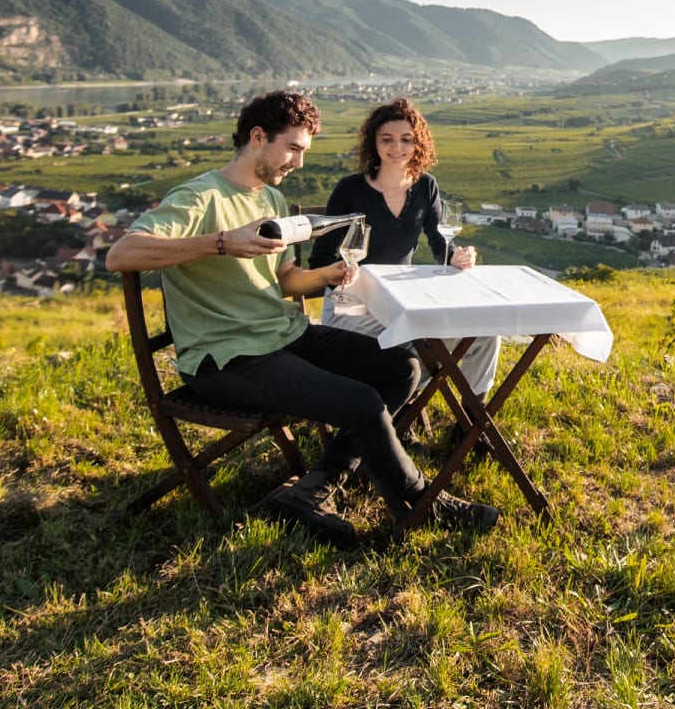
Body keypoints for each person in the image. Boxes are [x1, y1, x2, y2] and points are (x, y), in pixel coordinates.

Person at [104, 89, 498, 544]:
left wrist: (329, 275)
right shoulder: (200, 197)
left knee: (403, 367)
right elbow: (121, 254)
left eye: (304, 151)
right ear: (258, 137)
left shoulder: (270, 199)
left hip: (284, 336)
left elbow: (286, 280)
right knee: (362, 404)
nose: (299, 162)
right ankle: (419, 501)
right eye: (293, 148)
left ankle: (312, 489)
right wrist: (221, 242)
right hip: (227, 357)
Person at [308, 97, 501, 401]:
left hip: (401, 303)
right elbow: (320, 257)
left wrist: (456, 255)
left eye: (406, 139)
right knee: (426, 343)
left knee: (484, 330)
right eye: (387, 139)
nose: (396, 147)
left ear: (417, 143)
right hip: (352, 306)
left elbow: (439, 241)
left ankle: (471, 419)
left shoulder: (426, 186)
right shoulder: (349, 189)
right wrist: (341, 274)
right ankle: (393, 404)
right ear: (374, 142)